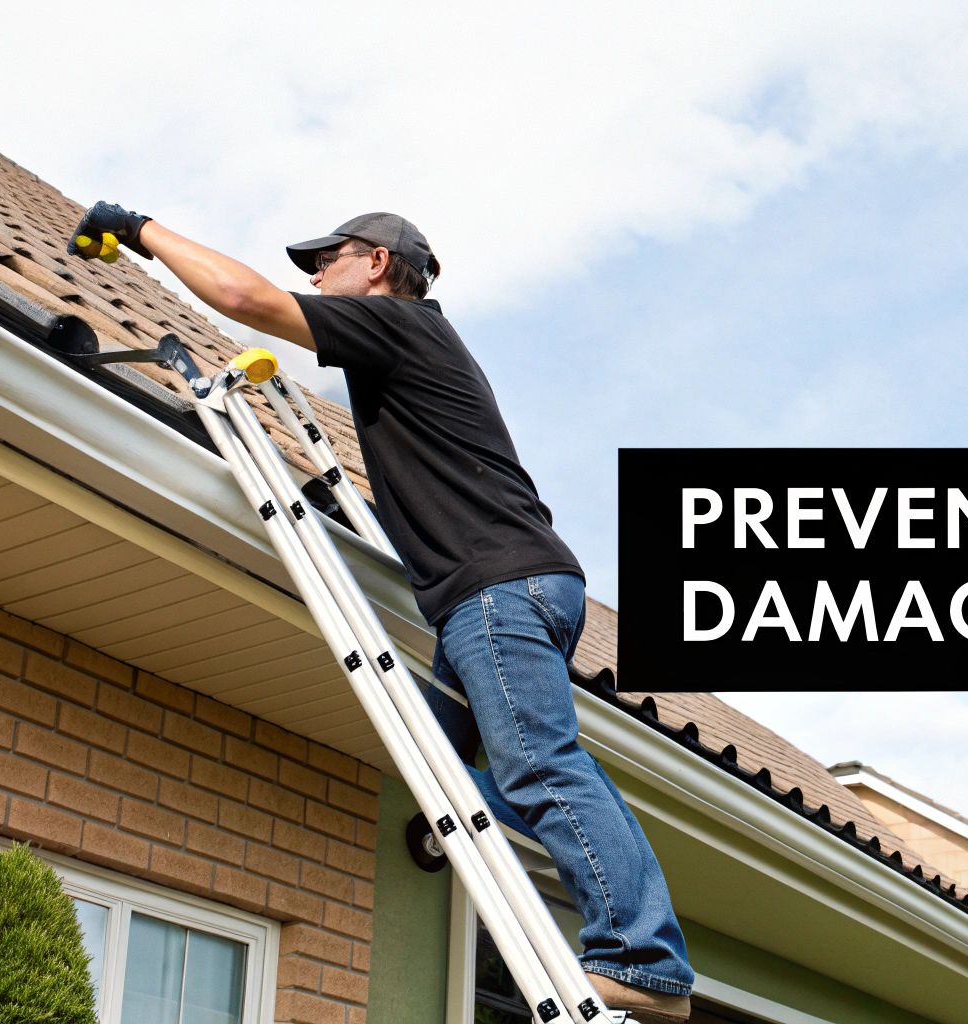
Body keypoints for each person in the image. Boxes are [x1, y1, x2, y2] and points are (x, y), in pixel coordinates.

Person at [68, 203, 694, 1023]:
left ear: (375, 262)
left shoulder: (401, 327)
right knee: (446, 766)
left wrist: (140, 229)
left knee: (540, 765)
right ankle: (559, 871)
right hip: (502, 592)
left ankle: (642, 959)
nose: (316, 278)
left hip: (495, 593)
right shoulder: (410, 353)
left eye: (326, 262)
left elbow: (247, 298)